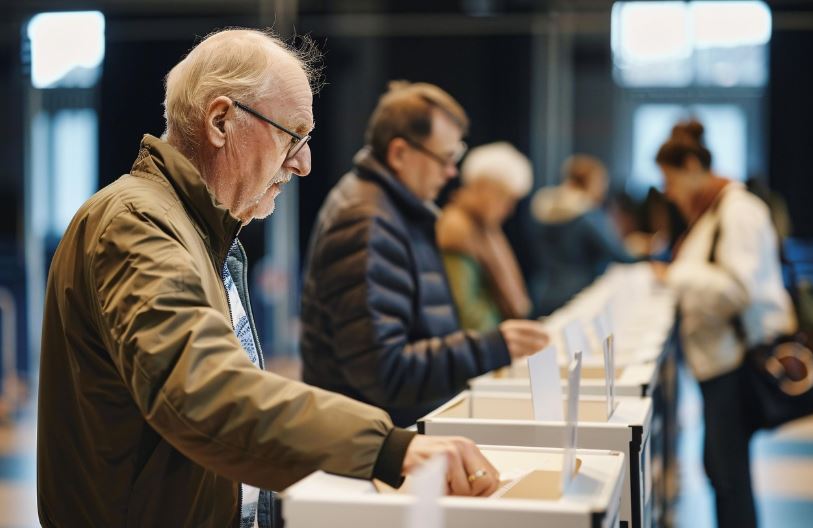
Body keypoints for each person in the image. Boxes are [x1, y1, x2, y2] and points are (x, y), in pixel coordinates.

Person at [37, 30, 501, 528]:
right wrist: (386, 448)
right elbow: (204, 389)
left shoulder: (197, 229)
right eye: (293, 135)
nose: (303, 164)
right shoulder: (134, 224)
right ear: (221, 121)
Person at [300, 82, 548, 427]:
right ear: (400, 153)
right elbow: (385, 372)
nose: (451, 173)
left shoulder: (395, 210)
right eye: (444, 159)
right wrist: (491, 347)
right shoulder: (367, 222)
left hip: (396, 431)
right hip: (374, 443)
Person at [651, 120, 796, 528]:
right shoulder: (715, 213)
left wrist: (674, 276)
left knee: (729, 477)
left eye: (670, 179)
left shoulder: (739, 211)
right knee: (721, 470)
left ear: (692, 165)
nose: (669, 192)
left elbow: (738, 290)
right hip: (718, 362)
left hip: (735, 361)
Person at [436, 141, 533, 332]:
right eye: (506, 198)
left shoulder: (483, 227)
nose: (510, 209)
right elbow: (465, 311)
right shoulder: (457, 228)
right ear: (485, 189)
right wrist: (503, 339)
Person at [529, 154, 639, 316]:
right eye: (601, 181)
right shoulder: (587, 214)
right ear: (591, 181)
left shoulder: (542, 210)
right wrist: (643, 251)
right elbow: (617, 254)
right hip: (577, 295)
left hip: (542, 292)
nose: (603, 188)